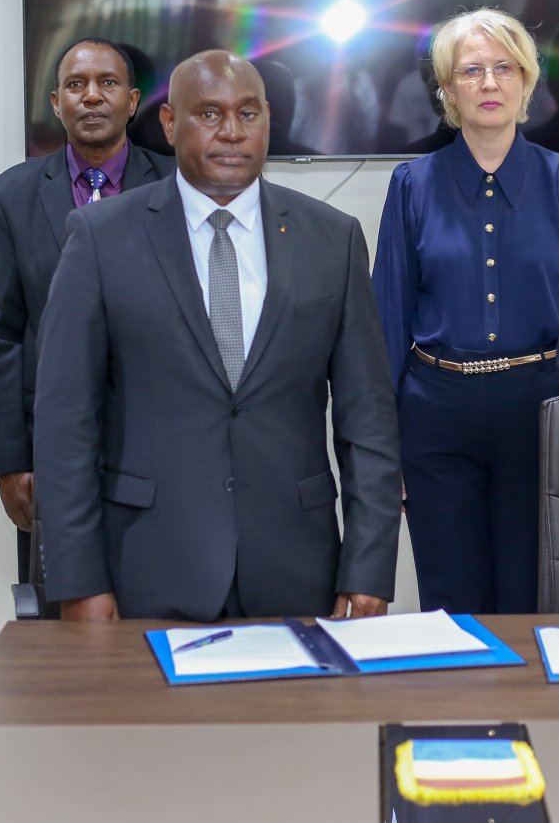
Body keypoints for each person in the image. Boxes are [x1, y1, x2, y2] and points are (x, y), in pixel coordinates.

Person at [33, 50, 402, 621]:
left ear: (268, 120)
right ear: (169, 123)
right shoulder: (101, 238)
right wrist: (79, 581)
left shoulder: (333, 238)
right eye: (209, 114)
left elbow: (368, 420)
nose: (232, 131)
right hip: (148, 565)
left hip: (297, 568)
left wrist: (369, 568)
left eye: (248, 113)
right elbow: (66, 422)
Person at [373, 8, 559, 613]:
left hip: (542, 413)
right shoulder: (411, 184)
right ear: (448, 89)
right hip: (436, 415)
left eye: (505, 68)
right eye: (471, 70)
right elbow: (387, 323)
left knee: (533, 595)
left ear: (526, 81)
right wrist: (385, 451)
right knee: (451, 599)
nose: (490, 82)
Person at [0, 37, 171, 584]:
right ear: (56, 102)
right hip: (53, 447)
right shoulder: (11, 196)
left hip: (164, 439)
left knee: (160, 598)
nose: (91, 96)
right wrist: (10, 462)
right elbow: (0, 335)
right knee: (60, 606)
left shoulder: (178, 186)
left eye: (107, 83)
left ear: (132, 101)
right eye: (75, 85)